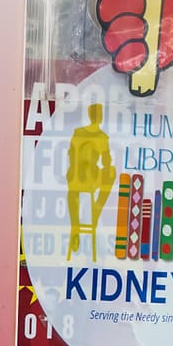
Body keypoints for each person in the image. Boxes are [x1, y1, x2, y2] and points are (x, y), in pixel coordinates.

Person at [66, 103, 116, 262]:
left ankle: (76, 225)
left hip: (75, 178)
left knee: (73, 192)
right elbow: (107, 162)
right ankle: (95, 212)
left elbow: (70, 154)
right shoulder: (101, 137)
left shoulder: (78, 132)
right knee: (111, 172)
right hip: (89, 179)